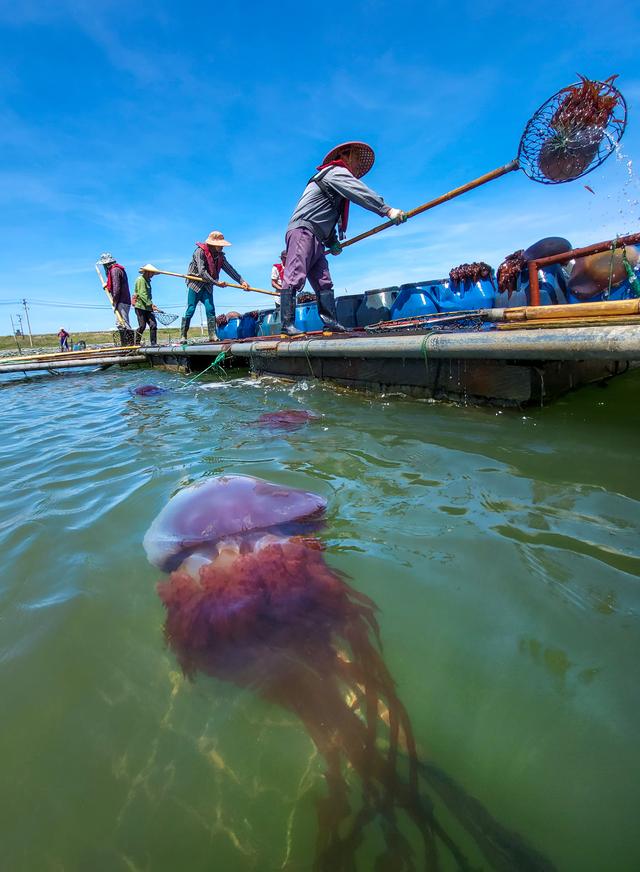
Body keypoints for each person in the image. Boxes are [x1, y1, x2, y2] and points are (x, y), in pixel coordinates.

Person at [280, 141, 407, 336]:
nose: (357, 166)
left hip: (319, 237)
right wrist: (387, 210)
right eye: (356, 159)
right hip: (303, 230)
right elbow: (359, 192)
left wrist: (332, 242)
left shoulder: (335, 184)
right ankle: (287, 325)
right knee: (295, 276)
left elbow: (325, 215)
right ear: (345, 156)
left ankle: (330, 322)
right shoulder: (334, 171)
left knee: (324, 281)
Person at [181, 231, 249, 342]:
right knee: (191, 309)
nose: (222, 247)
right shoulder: (200, 252)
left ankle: (212, 335)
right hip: (195, 284)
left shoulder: (220, 256)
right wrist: (216, 283)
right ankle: (183, 335)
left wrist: (241, 281)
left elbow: (230, 270)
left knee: (210, 309)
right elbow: (202, 271)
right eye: (220, 245)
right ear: (214, 244)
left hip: (208, 285)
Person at [97, 252, 133, 344]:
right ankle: (125, 344)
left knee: (124, 323)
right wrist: (107, 286)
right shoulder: (117, 269)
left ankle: (129, 344)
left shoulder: (115, 270)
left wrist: (114, 301)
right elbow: (114, 286)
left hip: (121, 300)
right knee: (120, 323)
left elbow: (116, 287)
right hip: (122, 300)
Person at [133, 264, 159, 345]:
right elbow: (142, 294)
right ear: (147, 272)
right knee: (142, 326)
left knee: (153, 324)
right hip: (140, 307)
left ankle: (154, 343)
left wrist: (151, 305)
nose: (153, 275)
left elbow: (147, 296)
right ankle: (136, 343)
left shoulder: (148, 281)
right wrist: (151, 304)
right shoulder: (141, 279)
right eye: (152, 273)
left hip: (148, 308)